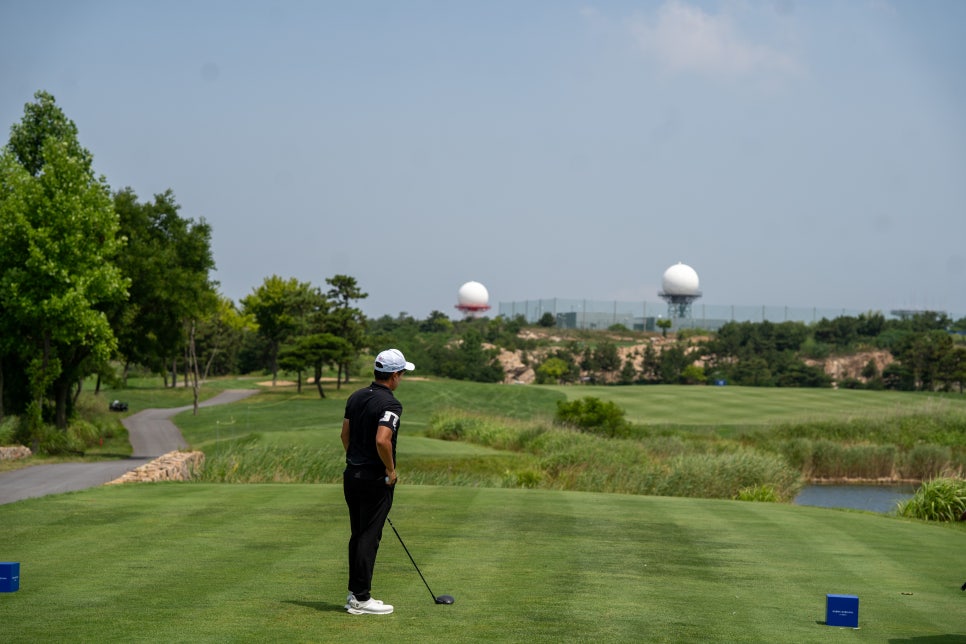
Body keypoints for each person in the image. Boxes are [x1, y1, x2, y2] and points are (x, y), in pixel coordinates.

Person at [341, 348, 415, 615]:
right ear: (394, 375)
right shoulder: (391, 403)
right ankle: (361, 598)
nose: (402, 378)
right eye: (402, 373)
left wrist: (356, 459)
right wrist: (390, 469)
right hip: (375, 478)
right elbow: (382, 440)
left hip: (352, 475)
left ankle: (354, 593)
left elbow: (344, 435)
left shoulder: (356, 396)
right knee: (369, 537)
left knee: (359, 534)